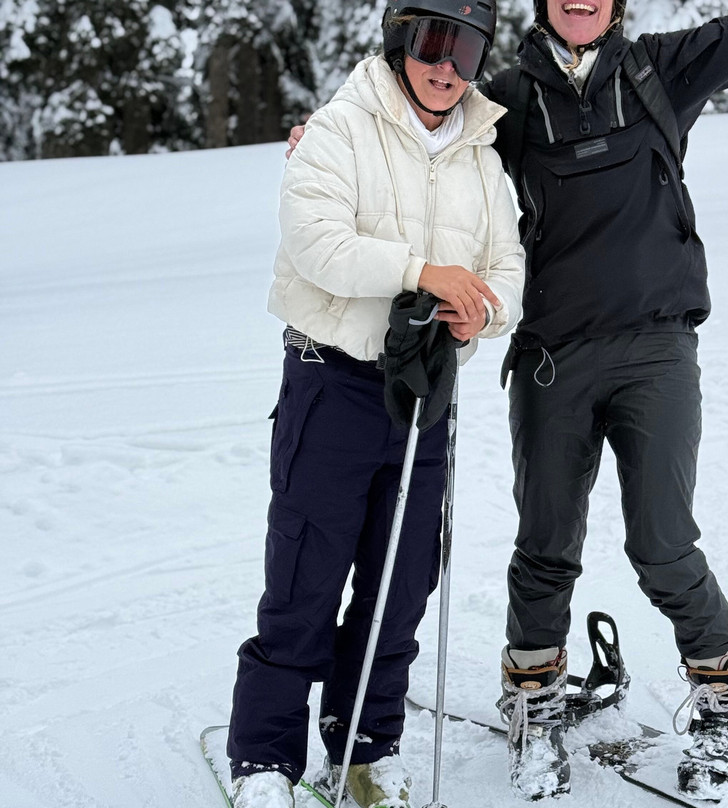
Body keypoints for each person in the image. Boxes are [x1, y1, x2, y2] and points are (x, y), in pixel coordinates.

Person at [289, 0, 728, 800]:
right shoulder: (504, 99)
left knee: (663, 543)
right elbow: (421, 151)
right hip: (552, 358)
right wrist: (326, 140)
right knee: (546, 544)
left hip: (655, 347)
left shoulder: (662, 69)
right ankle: (534, 703)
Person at [227, 1, 523, 807]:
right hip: (332, 381)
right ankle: (265, 759)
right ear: (401, 42)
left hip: (426, 392)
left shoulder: (482, 157)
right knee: (306, 575)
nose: (446, 66)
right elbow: (316, 243)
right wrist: (427, 272)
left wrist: (485, 308)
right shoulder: (339, 129)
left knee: (401, 585)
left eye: (465, 49)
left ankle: (364, 745)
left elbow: (507, 270)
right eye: (433, 43)